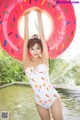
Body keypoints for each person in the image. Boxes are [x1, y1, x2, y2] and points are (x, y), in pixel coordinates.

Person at [23, 10, 63, 120]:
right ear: (29, 50)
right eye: (32, 48)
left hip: (52, 98)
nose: (35, 51)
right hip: (39, 102)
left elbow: (42, 36)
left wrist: (39, 15)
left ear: (41, 49)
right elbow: (26, 37)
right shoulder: (26, 62)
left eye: (38, 48)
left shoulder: (44, 59)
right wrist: (26, 16)